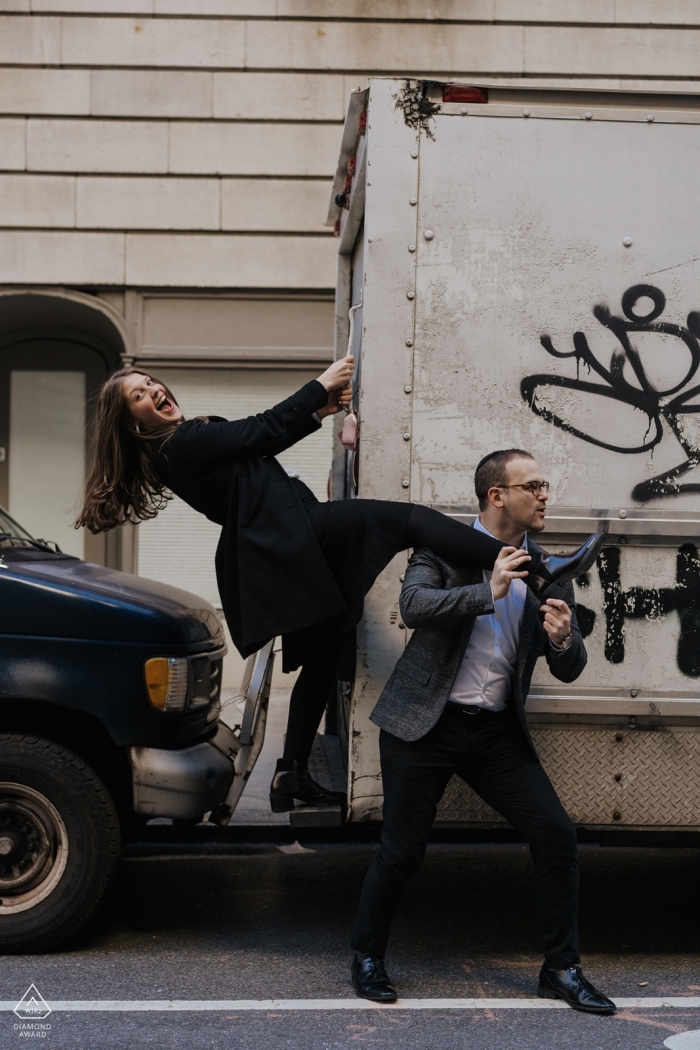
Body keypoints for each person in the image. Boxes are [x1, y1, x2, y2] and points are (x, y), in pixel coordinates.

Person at [77, 367, 602, 814]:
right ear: (132, 422)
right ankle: (538, 568)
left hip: (291, 539)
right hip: (301, 531)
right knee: (411, 520)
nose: (153, 392)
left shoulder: (179, 448)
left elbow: (258, 448)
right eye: (138, 397)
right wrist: (317, 386)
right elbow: (262, 430)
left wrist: (320, 411)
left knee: (325, 657)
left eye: (150, 383)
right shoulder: (181, 443)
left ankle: (289, 772)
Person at [350, 448, 615, 1016]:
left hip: (494, 732)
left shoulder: (545, 568)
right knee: (401, 853)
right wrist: (486, 590)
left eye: (545, 485)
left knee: (556, 836)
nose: (545, 494)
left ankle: (561, 970)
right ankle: (367, 956)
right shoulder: (443, 547)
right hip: (424, 723)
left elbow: (569, 667)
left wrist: (565, 636)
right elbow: (413, 605)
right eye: (533, 485)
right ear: (498, 496)